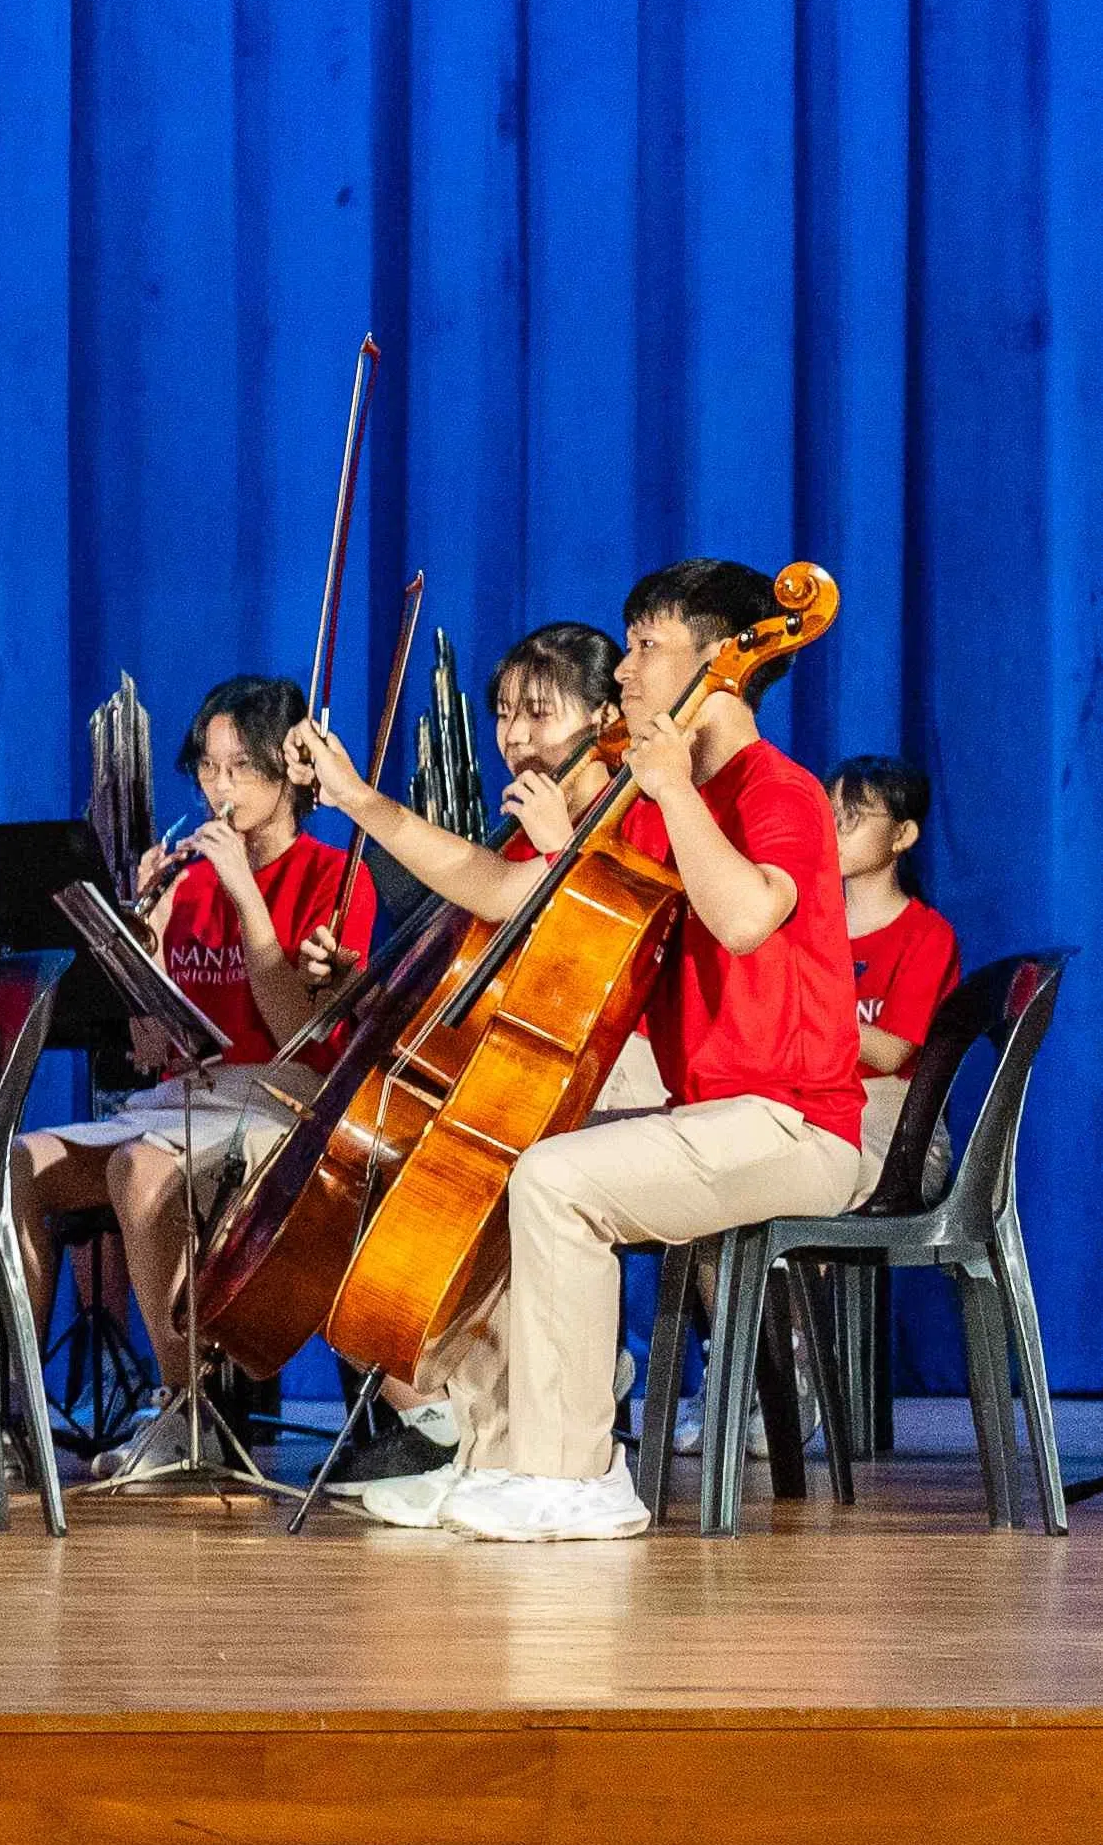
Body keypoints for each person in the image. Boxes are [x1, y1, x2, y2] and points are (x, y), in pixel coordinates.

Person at [276, 562, 865, 1541]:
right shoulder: (655, 796)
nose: (626, 672)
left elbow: (749, 918)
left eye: (647, 648)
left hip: (795, 1123)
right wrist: (359, 802)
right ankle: (494, 1447)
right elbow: (504, 891)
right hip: (711, 1116)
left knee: (556, 1178)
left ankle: (578, 1473)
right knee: (501, 1162)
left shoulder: (778, 790)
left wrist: (672, 792)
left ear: (721, 661)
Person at [14, 677, 371, 1484]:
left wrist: (245, 891)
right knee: (17, 1166)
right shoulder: (187, 877)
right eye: (208, 769)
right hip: (184, 1098)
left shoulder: (332, 875)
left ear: (294, 775)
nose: (220, 788)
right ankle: (19, 1415)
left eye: (241, 768)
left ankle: (186, 1409)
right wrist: (143, 954)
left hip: (281, 1099)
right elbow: (158, 1038)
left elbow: (295, 1033)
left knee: (138, 1166)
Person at [830, 755, 954, 1170]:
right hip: (817, 1099)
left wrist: (799, 1015)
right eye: (830, 814)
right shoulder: (807, 924)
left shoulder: (927, 935)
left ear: (902, 835)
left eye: (854, 816)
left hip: (894, 1118)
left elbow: (888, 1053)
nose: (836, 830)